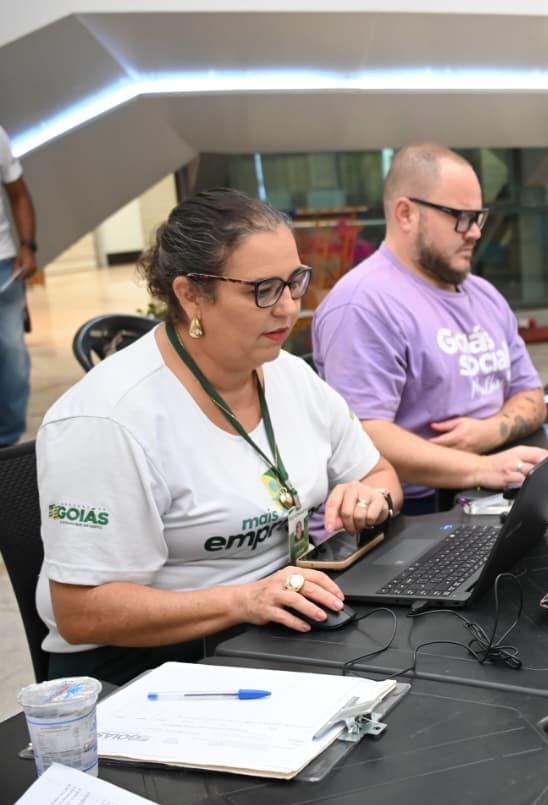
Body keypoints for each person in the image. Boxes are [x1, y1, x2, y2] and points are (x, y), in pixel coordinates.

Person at [35, 188, 404, 685]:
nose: (288, 307)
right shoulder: (106, 421)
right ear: (190, 295)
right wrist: (243, 600)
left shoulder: (288, 375)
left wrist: (371, 497)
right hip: (143, 667)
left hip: (272, 629)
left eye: (295, 282)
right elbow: (80, 613)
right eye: (263, 290)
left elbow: (380, 472)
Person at [312, 143, 548, 511]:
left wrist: (488, 432)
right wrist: (480, 467)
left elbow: (531, 394)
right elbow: (364, 434)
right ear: (406, 214)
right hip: (411, 510)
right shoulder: (363, 304)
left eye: (478, 217)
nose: (475, 233)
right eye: (460, 217)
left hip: (488, 486)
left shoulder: (483, 294)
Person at [0, 125, 38, 447]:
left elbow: (19, 194)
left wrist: (27, 245)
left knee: (11, 353)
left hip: (3, 264)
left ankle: (7, 443)